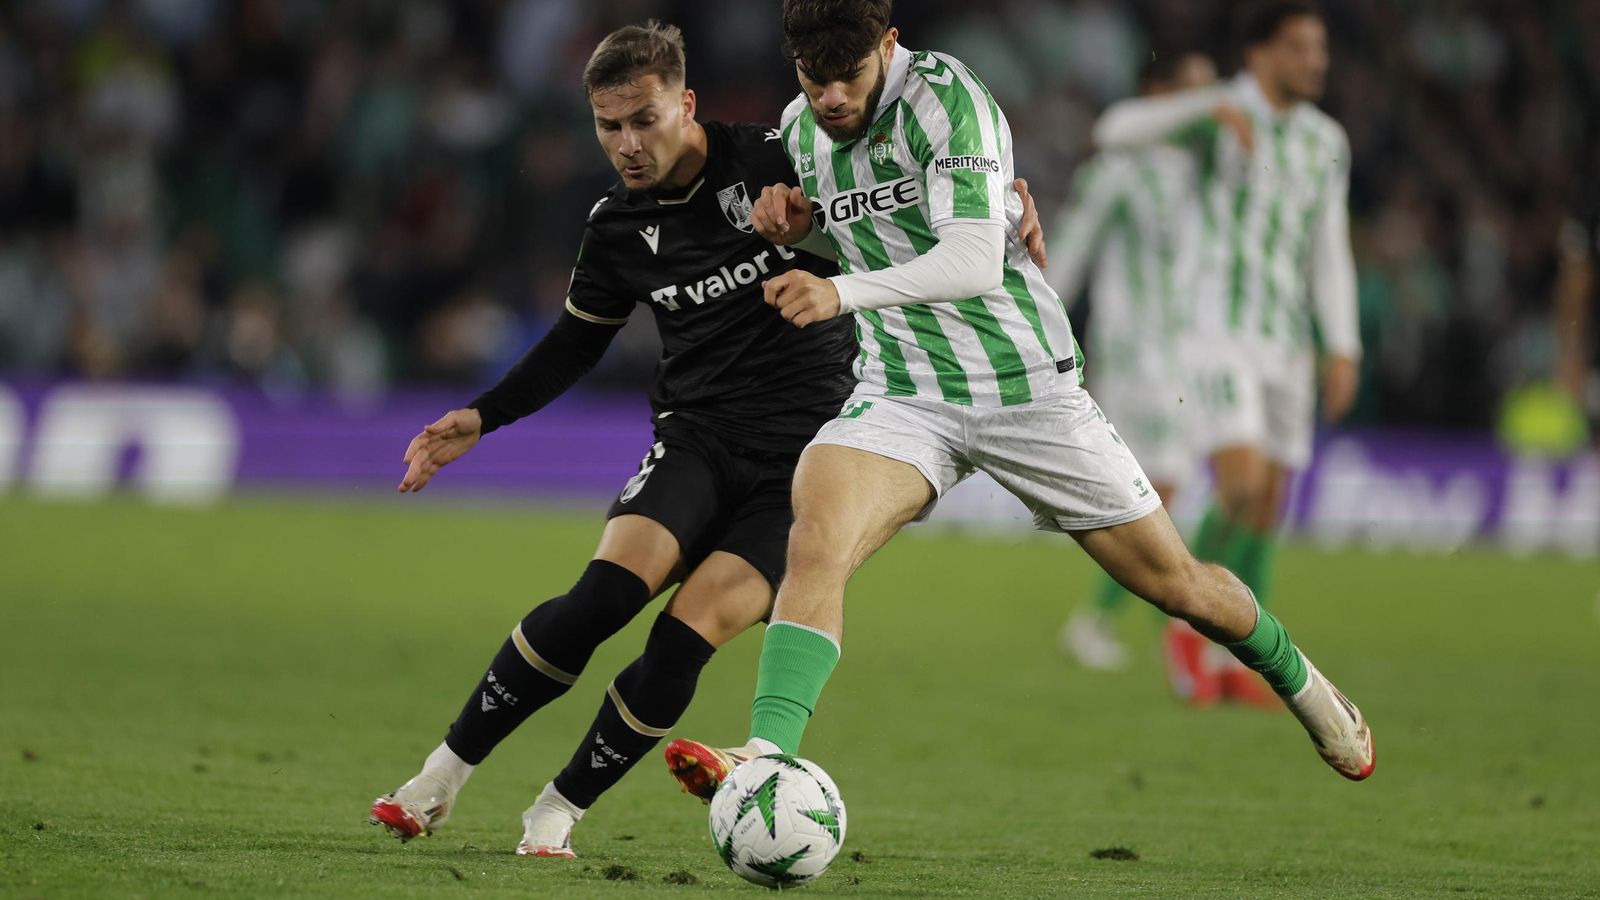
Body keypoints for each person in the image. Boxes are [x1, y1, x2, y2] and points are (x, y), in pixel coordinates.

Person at [663, 0, 1373, 804]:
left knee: (1179, 585)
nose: (830, 97)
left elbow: (970, 260)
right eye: (811, 77)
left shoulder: (947, 98)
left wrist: (838, 292)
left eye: (848, 76)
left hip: (1025, 387)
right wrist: (801, 233)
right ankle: (766, 755)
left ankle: (1302, 681)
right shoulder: (802, 131)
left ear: (889, 46)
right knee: (816, 532)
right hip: (905, 390)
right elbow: (873, 233)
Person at [368, 21, 1047, 857]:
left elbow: (904, 191)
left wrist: (1010, 202)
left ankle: (558, 808)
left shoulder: (775, 156)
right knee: (600, 600)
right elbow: (577, 343)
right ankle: (437, 778)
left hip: (812, 458)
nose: (627, 144)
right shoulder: (616, 226)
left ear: (685, 104)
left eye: (644, 120)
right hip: (698, 438)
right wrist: (484, 414)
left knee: (681, 640)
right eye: (608, 126)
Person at [1089, 0, 1363, 704]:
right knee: (1239, 485)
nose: (1316, 61)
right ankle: (1186, 621)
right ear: (1261, 52)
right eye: (1300, 46)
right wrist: (1204, 105)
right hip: (1217, 334)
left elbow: (1328, 248)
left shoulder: (1324, 139)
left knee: (1267, 504)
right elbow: (1113, 130)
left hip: (1287, 342)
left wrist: (1342, 342)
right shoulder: (1219, 116)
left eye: (1320, 48)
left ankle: (1242, 661)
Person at [1046, 52, 1220, 674]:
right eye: (1191, 92)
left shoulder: (1205, 172)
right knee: (1160, 484)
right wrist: (1042, 327)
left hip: (1188, 350)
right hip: (1134, 348)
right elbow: (1071, 249)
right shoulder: (1119, 169)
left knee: (1165, 487)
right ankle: (1122, 620)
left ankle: (1134, 617)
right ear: (1159, 93)